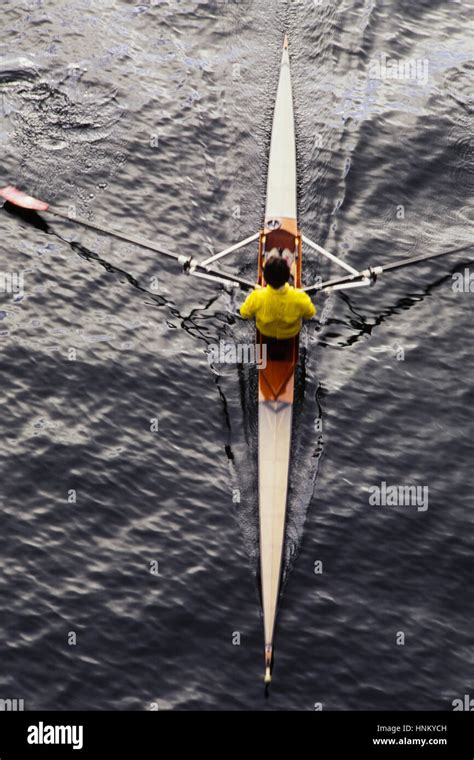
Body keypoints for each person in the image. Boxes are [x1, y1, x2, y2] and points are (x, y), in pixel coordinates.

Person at [240, 255, 316, 340]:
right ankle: (292, 270)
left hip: (265, 332)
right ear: (286, 277)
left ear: (265, 278)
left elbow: (244, 314)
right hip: (290, 334)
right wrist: (301, 295)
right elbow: (310, 314)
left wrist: (256, 292)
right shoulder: (299, 297)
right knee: (288, 256)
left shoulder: (256, 296)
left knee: (273, 253)